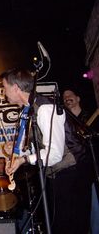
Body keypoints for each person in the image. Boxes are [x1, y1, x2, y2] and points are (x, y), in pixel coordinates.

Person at [0, 68, 91, 234]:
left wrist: (23, 160)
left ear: (16, 88)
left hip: (71, 172)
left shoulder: (45, 108)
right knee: (58, 226)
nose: (3, 93)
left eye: (4, 88)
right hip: (57, 173)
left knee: (70, 227)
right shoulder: (29, 110)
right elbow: (39, 148)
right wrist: (18, 153)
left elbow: (54, 153)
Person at [63, 88, 99, 234]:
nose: (66, 98)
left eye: (69, 95)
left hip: (95, 165)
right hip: (79, 171)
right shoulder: (66, 122)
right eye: (64, 98)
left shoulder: (92, 116)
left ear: (78, 98)